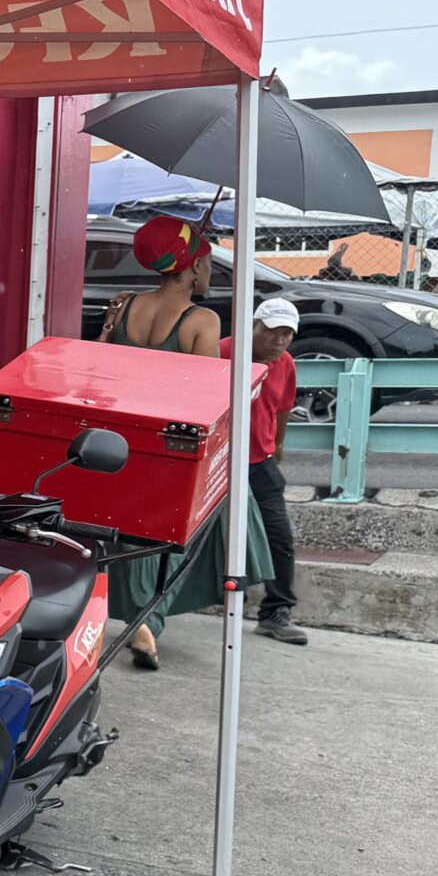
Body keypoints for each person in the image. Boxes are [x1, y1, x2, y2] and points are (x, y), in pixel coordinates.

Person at [102, 215, 273, 669]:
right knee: (205, 523)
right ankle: (148, 619)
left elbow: (107, 368)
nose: (211, 271)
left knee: (132, 534)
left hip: (124, 441)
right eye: (208, 262)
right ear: (194, 267)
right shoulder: (201, 320)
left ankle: (142, 616)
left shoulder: (125, 307)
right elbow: (205, 399)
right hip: (174, 446)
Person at [242, 296, 307, 645]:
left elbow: (283, 409)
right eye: (272, 332)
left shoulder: (285, 363)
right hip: (221, 462)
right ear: (254, 326)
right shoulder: (222, 351)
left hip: (259, 461)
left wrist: (277, 445)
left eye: (287, 334)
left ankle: (276, 612)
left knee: (279, 536)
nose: (280, 341)